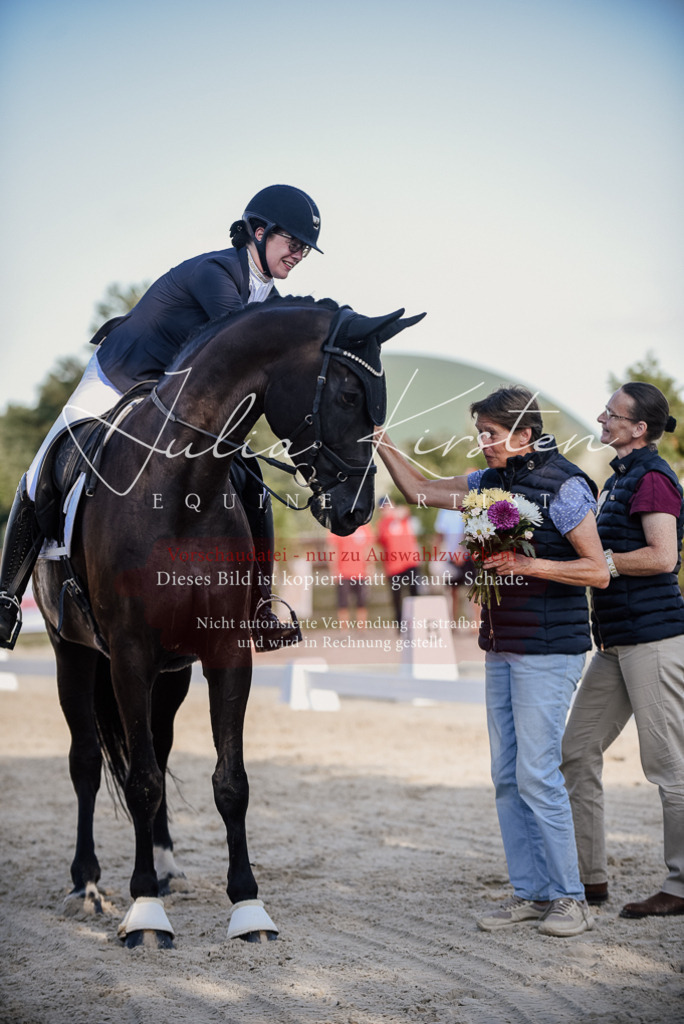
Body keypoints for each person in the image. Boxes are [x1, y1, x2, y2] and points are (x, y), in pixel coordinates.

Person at [0, 184, 322, 650]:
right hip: (120, 377)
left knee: (250, 481)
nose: (299, 255)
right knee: (43, 466)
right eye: (294, 244)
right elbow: (240, 348)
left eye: (305, 250)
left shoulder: (266, 292)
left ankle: (259, 606)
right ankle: (7, 596)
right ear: (259, 232)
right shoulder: (218, 273)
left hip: (172, 401)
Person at [374, 385, 609, 937]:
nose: (482, 443)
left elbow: (597, 570)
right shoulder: (487, 485)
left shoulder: (567, 486)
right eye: (479, 432)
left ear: (525, 434)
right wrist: (377, 437)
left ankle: (568, 898)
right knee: (506, 776)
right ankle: (530, 893)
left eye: (490, 434)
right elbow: (419, 489)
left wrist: (532, 567)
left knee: (537, 773)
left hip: (550, 652)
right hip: (501, 647)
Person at [561, 382, 684, 918]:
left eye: (613, 415)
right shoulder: (620, 479)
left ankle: (681, 886)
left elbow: (662, 557)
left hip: (654, 641)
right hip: (614, 641)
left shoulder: (654, 478)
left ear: (639, 428)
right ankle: (589, 879)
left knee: (669, 767)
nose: (602, 419)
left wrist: (601, 563)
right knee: (576, 750)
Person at [375, 501, 422, 627]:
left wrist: (394, 513)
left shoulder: (402, 516)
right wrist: (391, 517)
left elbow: (405, 510)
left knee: (415, 593)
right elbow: (382, 538)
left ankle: (417, 621)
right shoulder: (382, 524)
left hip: (410, 562)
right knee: (397, 598)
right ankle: (400, 625)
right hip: (393, 566)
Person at [327, 522, 375, 625]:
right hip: (343, 572)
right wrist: (333, 569)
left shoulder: (365, 526)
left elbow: (369, 548)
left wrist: (370, 566)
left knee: (362, 602)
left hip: (361, 572)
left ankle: (362, 629)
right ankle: (344, 631)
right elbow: (333, 549)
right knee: (343, 603)